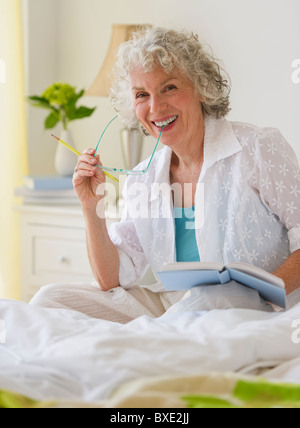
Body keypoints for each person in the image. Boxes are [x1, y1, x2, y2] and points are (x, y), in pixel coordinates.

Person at [31, 27, 300, 320]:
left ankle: (159, 337)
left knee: (209, 302)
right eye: (141, 94)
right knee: (50, 299)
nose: (155, 107)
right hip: (175, 307)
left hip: (250, 309)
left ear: (200, 87)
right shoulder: (142, 179)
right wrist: (90, 206)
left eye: (169, 87)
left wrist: (261, 298)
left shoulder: (256, 148)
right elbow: (112, 279)